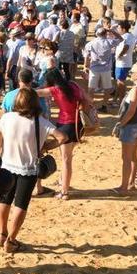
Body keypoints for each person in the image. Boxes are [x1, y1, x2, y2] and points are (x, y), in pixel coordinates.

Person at [0, 89, 67, 252]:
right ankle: (11, 240)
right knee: (21, 204)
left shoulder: (6, 118)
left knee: (4, 200)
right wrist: (47, 146)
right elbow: (63, 137)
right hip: (28, 168)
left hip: (6, 165)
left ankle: (2, 233)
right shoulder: (40, 121)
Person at [35, 69, 90, 199]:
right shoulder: (74, 85)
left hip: (65, 124)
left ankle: (64, 191)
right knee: (68, 157)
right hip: (78, 125)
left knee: (66, 160)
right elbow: (87, 99)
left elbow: (36, 93)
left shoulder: (55, 90)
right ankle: (63, 182)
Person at [112, 64, 137, 195]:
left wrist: (120, 124)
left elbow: (131, 110)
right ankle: (131, 183)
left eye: (132, 72)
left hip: (131, 125)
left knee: (126, 157)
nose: (130, 74)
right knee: (133, 156)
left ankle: (124, 187)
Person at [83, 27, 121, 111]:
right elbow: (120, 39)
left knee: (91, 88)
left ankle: (90, 106)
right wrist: (111, 31)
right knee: (107, 88)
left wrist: (85, 66)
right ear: (105, 34)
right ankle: (104, 105)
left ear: (97, 34)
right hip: (106, 69)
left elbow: (86, 56)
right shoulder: (109, 42)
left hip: (94, 69)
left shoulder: (91, 43)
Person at [114, 21, 137, 102]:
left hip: (122, 63)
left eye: (119, 28)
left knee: (121, 82)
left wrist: (120, 55)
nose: (118, 29)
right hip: (126, 62)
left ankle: (121, 100)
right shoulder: (130, 35)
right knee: (119, 81)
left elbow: (126, 47)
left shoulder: (126, 37)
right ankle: (116, 99)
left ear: (123, 29)